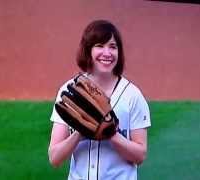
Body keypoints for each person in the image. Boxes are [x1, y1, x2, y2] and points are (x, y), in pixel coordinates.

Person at [48, 19, 151, 180]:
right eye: (99, 46)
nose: (107, 53)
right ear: (88, 50)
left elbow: (140, 156)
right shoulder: (70, 91)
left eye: (112, 47)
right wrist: (79, 133)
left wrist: (110, 133)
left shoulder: (132, 95)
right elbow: (54, 158)